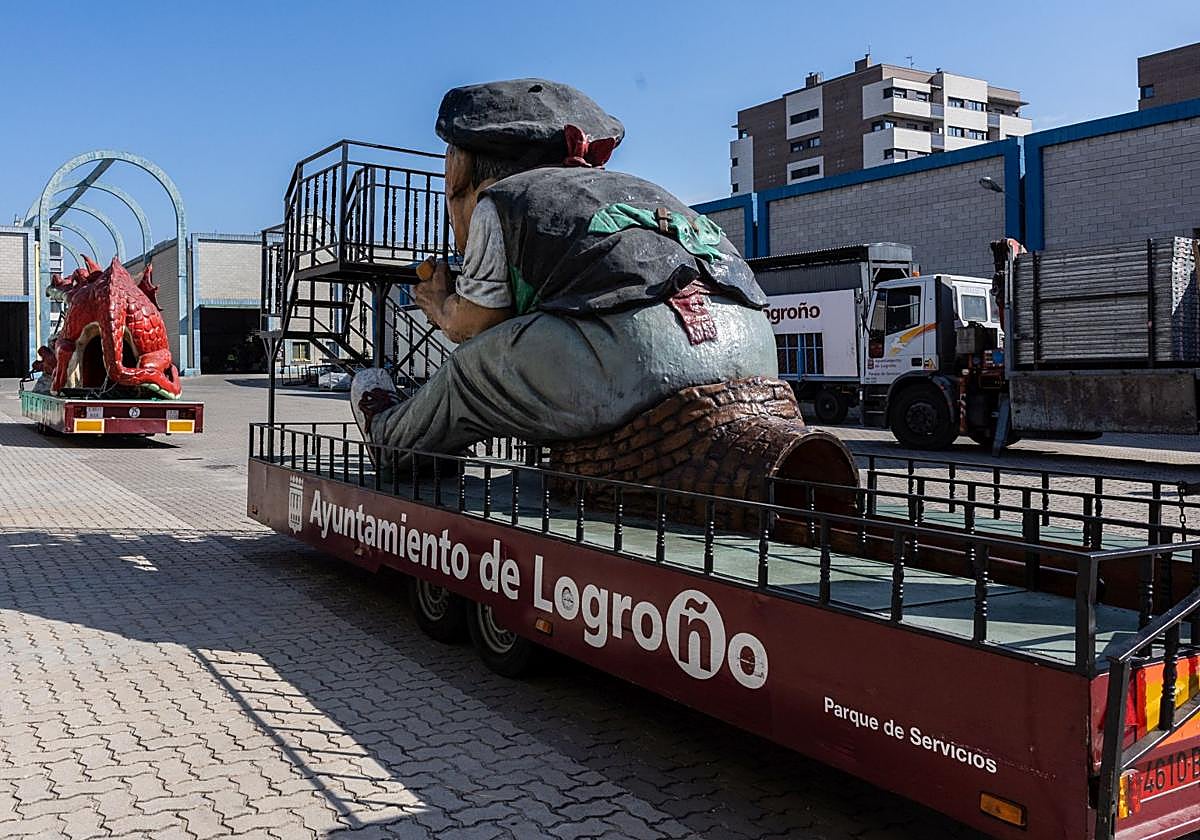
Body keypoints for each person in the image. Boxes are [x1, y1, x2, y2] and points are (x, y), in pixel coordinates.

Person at [352, 78, 777, 458]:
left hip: (641, 358)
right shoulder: (649, 189)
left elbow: (477, 324)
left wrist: (440, 302)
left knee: (471, 370)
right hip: (754, 348)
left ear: (457, 167)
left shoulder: (504, 200)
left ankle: (392, 440)